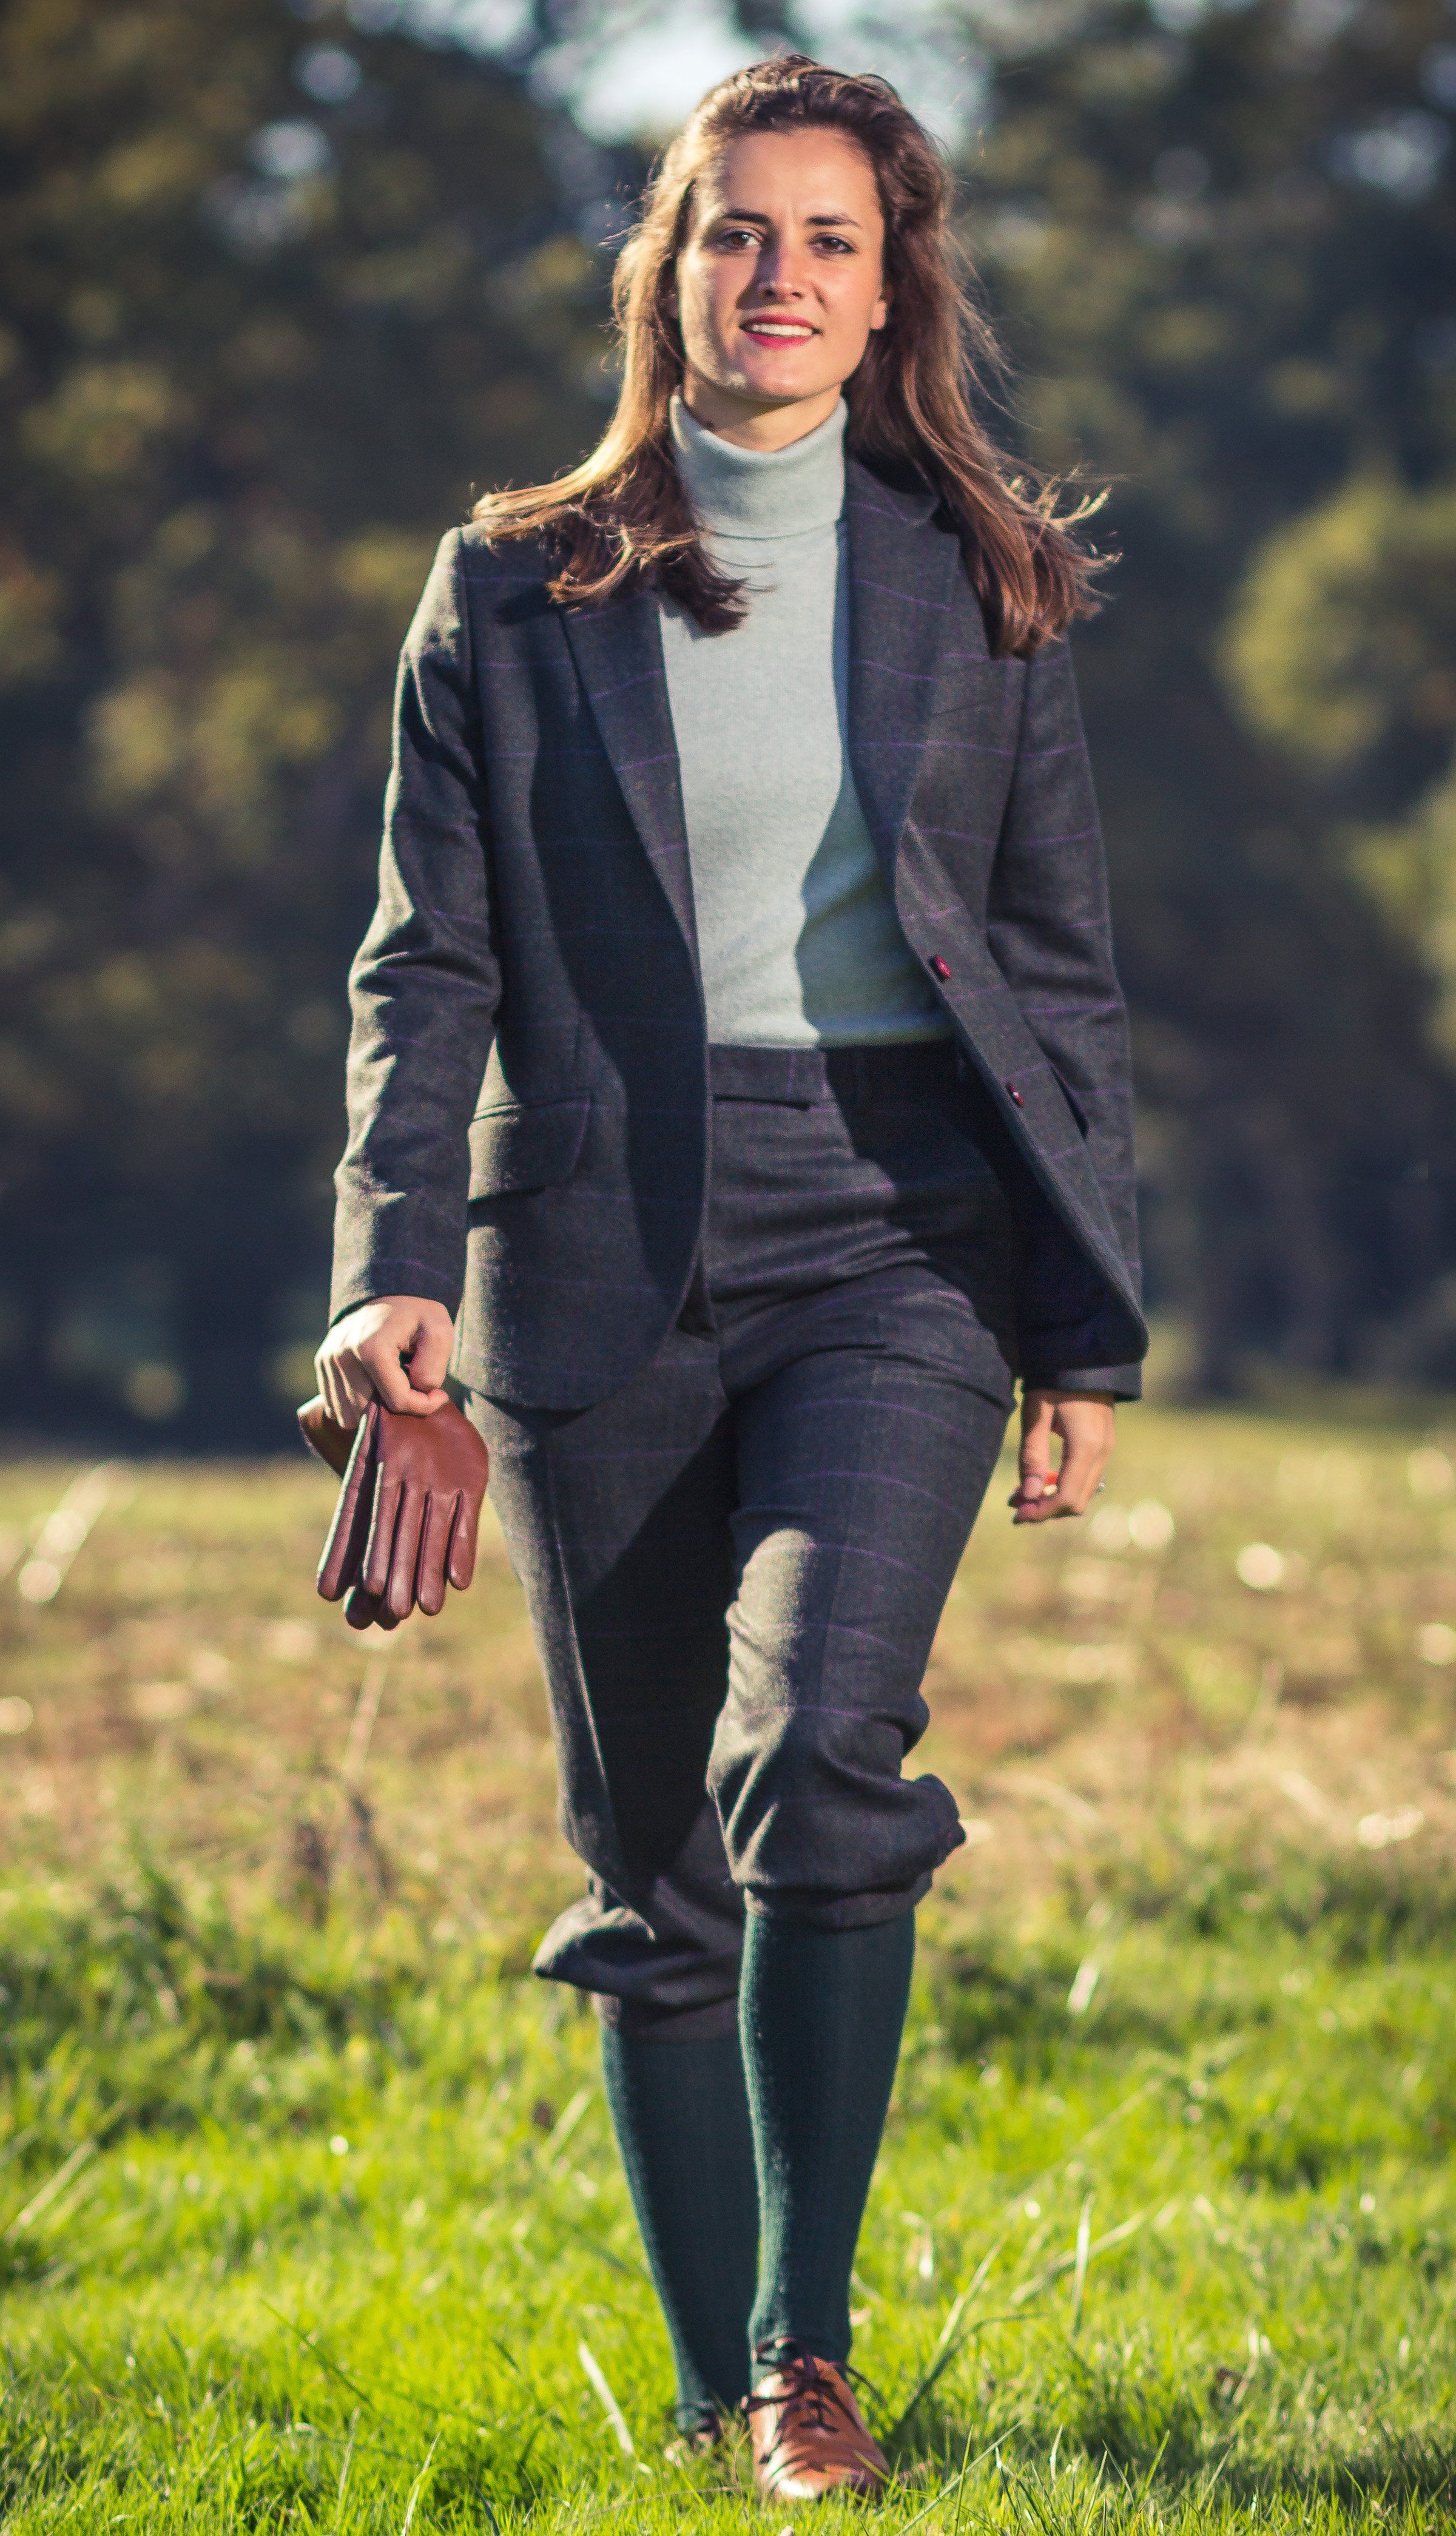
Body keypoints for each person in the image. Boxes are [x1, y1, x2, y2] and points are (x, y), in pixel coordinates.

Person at [315, 53, 1145, 2502]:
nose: (778, 277)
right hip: (594, 1255)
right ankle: (704, 2393)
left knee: (824, 1747)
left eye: (831, 240)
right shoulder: (511, 579)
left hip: (902, 1241)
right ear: (665, 264)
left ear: (894, 294)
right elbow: (422, 961)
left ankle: (809, 2360)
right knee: (649, 1857)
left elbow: (1062, 971)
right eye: (734, 232)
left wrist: (1089, 1320)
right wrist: (388, 1266)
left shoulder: (978, 571)